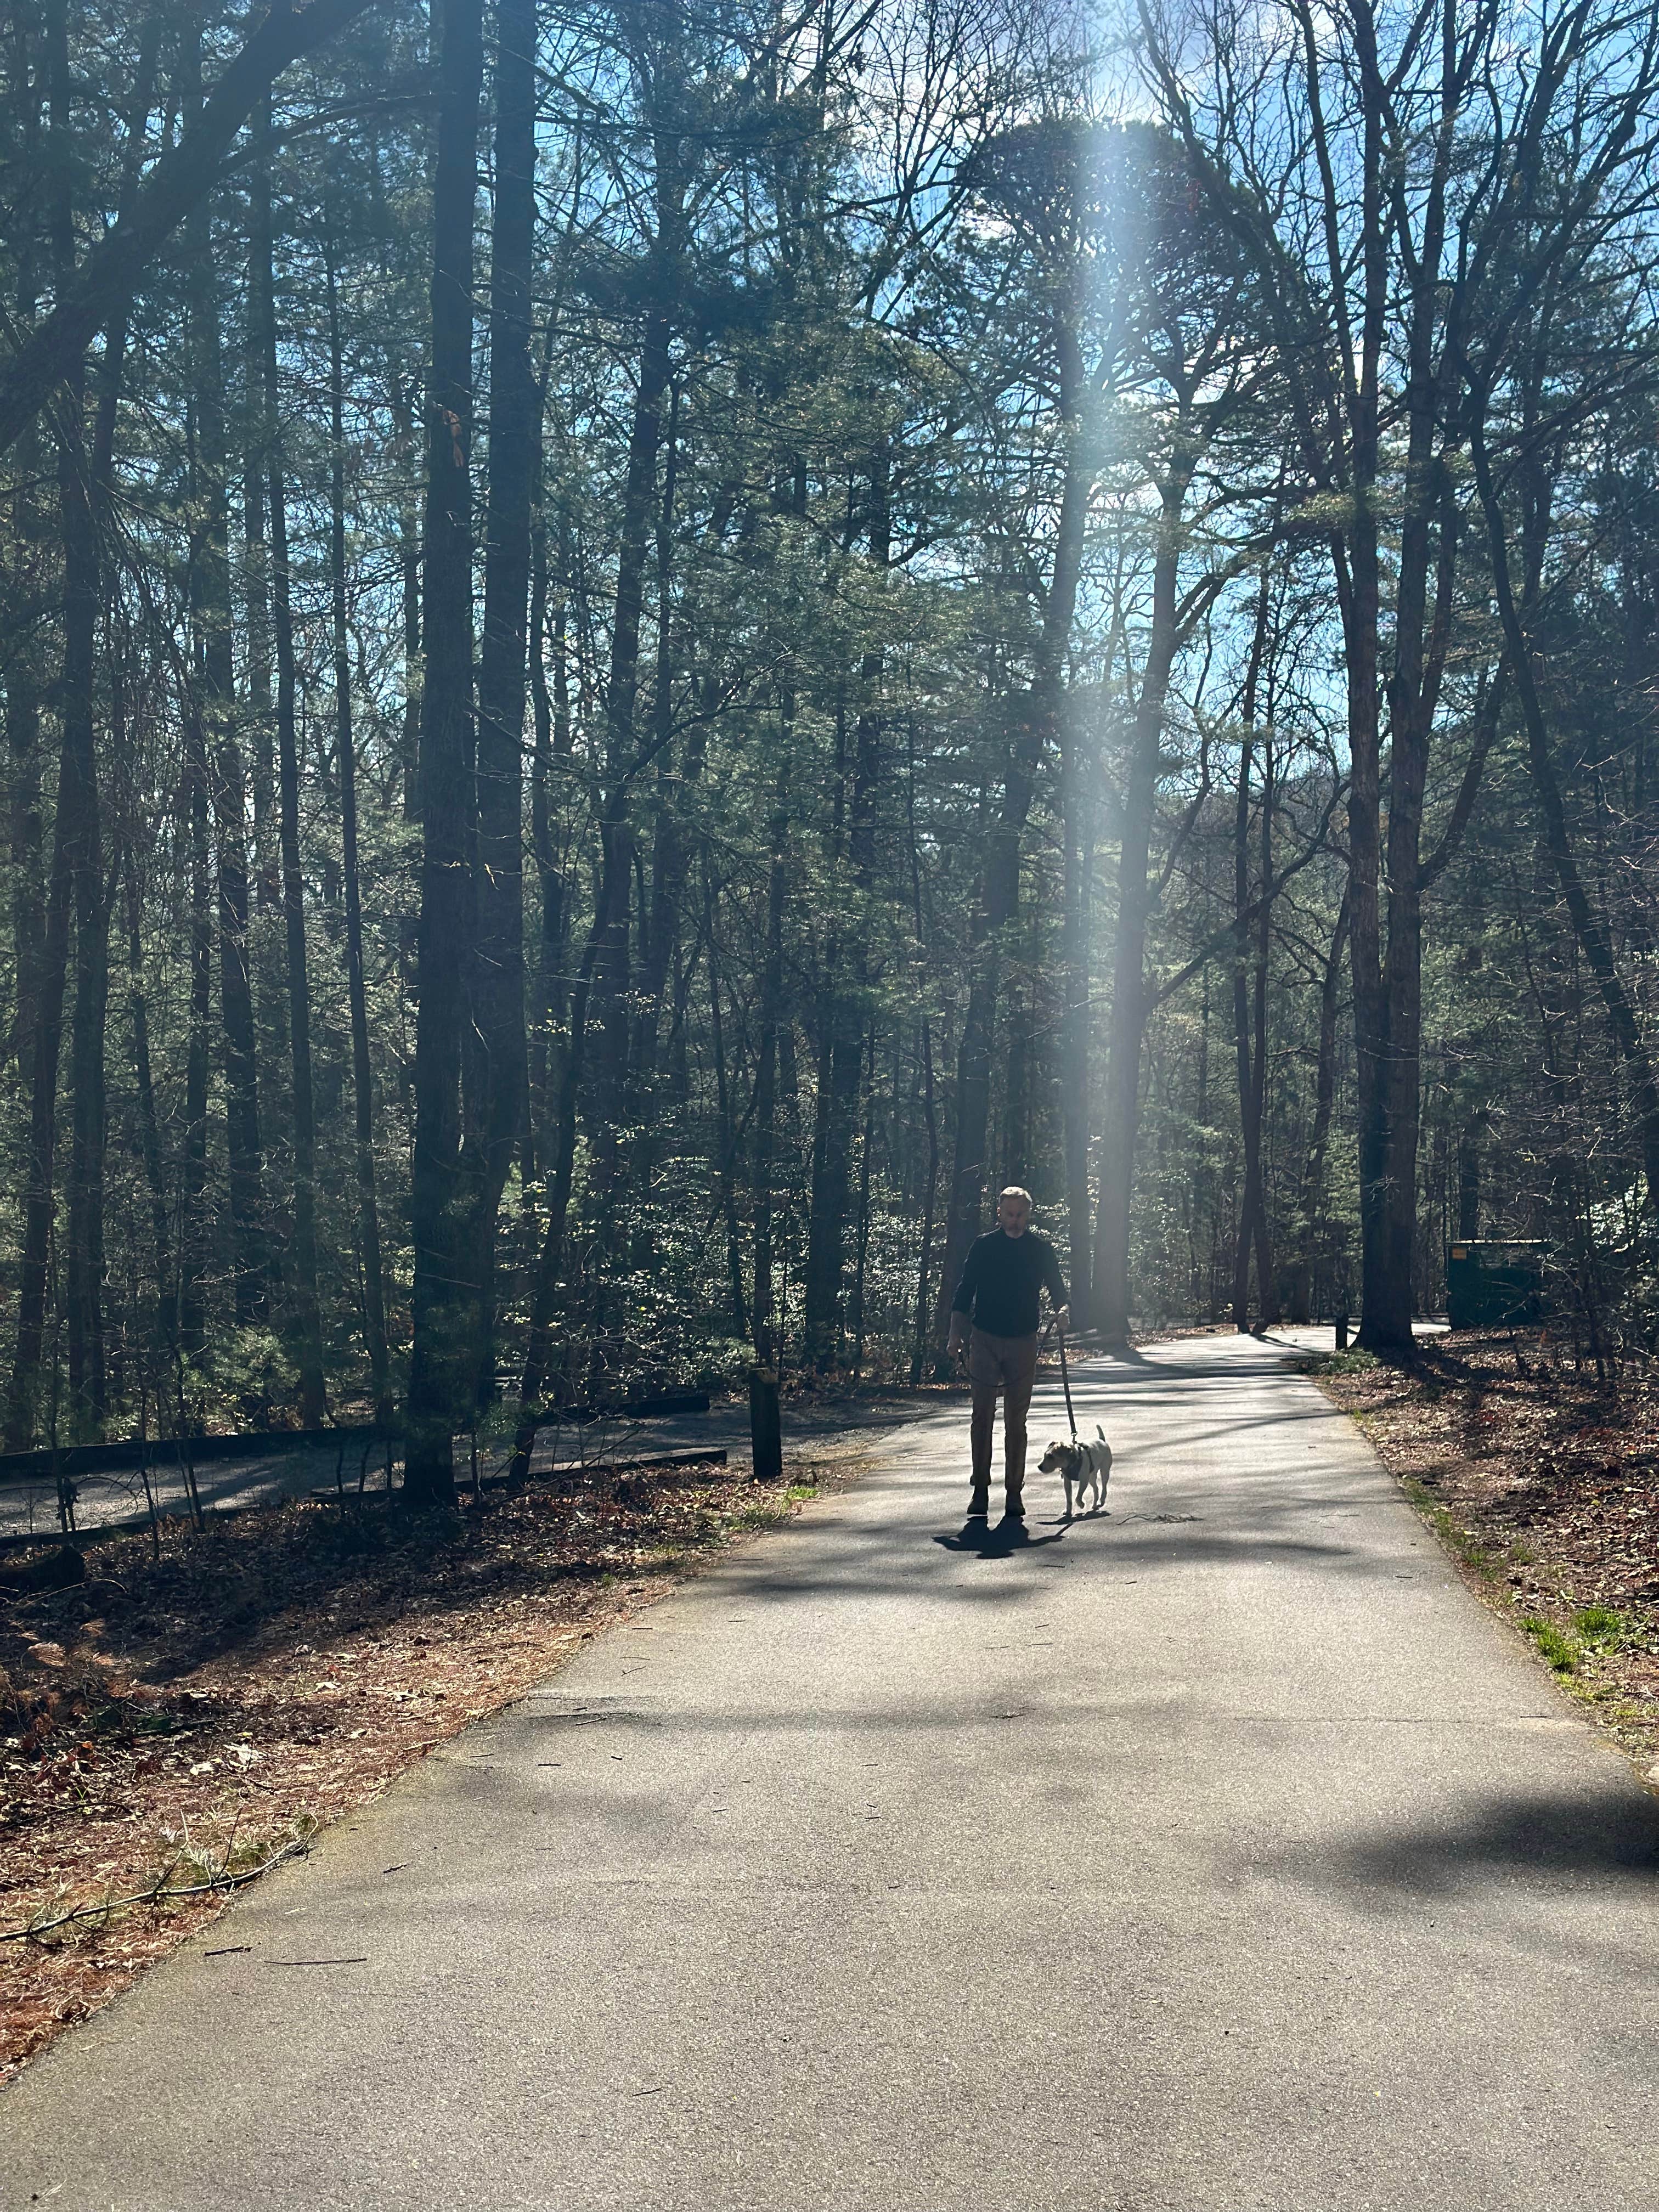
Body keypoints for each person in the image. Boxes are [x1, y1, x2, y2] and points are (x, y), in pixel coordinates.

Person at [946, 1186, 1069, 1521]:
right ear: (999, 1213)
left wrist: (1062, 1311)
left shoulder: (1040, 1250)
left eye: (1021, 1214)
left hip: (1023, 1342)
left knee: (1017, 1421)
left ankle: (1014, 1494)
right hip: (984, 1338)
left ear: (1028, 1214)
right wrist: (955, 1334)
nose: (1015, 1220)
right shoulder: (984, 1247)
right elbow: (964, 1292)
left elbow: (1059, 1290)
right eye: (1009, 1214)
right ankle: (980, 1490)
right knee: (981, 1417)